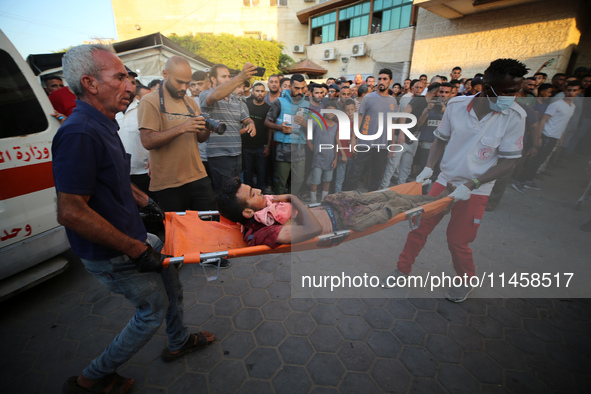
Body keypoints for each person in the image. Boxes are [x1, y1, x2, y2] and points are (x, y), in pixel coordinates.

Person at [54, 44, 214, 394]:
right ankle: (90, 380)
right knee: (151, 312)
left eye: (130, 76)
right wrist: (137, 250)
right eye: (120, 77)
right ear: (90, 84)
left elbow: (110, 178)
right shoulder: (80, 131)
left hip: (135, 235)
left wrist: (143, 200)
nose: (130, 84)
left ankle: (178, 341)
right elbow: (70, 211)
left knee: (173, 286)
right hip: (114, 252)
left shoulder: (103, 124)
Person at [395, 58, 529, 303]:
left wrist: (472, 185)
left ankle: (466, 280)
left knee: (458, 241)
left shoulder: (515, 116)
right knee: (418, 228)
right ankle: (402, 269)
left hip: (476, 189)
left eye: (517, 90)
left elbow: (509, 162)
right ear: (487, 87)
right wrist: (428, 168)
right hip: (444, 181)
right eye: (509, 92)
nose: (514, 96)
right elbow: (440, 140)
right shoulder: (456, 106)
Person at [217, 178, 442, 248]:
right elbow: (313, 229)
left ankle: (442, 198)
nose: (259, 191)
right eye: (252, 194)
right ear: (247, 211)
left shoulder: (253, 216)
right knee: (398, 206)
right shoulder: (263, 235)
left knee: (390, 196)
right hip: (349, 219)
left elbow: (236, 218)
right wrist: (292, 198)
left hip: (335, 203)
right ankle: (445, 201)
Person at [138, 56, 215, 212]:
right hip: (168, 183)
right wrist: (182, 127)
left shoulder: (190, 102)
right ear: (165, 75)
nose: (184, 87)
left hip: (197, 176)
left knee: (208, 225)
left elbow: (200, 139)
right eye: (179, 82)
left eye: (187, 83)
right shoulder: (149, 101)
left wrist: (207, 128)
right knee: (178, 232)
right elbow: (147, 140)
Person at [512, 80, 581, 192]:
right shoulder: (556, 104)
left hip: (555, 137)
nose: (571, 93)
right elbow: (543, 120)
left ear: (579, 92)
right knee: (534, 160)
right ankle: (519, 181)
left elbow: (564, 122)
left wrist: (561, 136)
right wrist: (538, 138)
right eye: (569, 90)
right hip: (546, 135)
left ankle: (528, 180)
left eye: (574, 90)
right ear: (565, 91)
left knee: (540, 160)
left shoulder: (572, 106)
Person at [199, 62, 257, 193]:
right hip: (220, 156)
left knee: (235, 194)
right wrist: (241, 77)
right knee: (225, 194)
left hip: (236, 154)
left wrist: (250, 123)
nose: (228, 79)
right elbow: (215, 96)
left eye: (229, 76)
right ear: (213, 79)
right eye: (224, 76)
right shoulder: (206, 94)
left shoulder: (234, 99)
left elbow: (245, 118)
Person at [344, 68, 398, 192]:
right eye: (379, 79)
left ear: (390, 81)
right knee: (355, 173)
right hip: (364, 142)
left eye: (385, 79)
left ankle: (371, 201)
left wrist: (393, 144)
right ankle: (346, 200)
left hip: (382, 145)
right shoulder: (368, 97)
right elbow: (359, 118)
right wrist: (353, 139)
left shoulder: (393, 101)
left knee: (376, 176)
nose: (381, 81)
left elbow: (392, 123)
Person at [264, 74, 309, 195]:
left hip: (299, 148)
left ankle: (291, 203)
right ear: (290, 86)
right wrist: (280, 127)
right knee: (280, 181)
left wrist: (305, 124)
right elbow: (266, 122)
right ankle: (280, 207)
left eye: (302, 88)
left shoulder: (307, 104)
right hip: (283, 148)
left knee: (299, 180)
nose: (300, 91)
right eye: (296, 88)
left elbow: (312, 128)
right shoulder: (279, 102)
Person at [307, 100, 338, 203]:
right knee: (315, 180)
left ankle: (324, 200)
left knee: (327, 180)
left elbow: (336, 143)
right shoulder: (317, 123)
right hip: (318, 157)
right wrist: (312, 146)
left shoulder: (336, 126)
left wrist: (336, 159)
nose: (330, 113)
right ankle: (313, 200)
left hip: (330, 157)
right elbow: (308, 135)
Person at [243, 82, 271, 190]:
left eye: (262, 91)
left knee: (261, 172)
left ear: (265, 93)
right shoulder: (246, 105)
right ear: (252, 92)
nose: (260, 93)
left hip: (261, 146)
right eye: (257, 91)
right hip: (246, 146)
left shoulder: (268, 108)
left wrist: (268, 146)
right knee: (247, 172)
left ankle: (261, 194)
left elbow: (270, 129)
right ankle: (248, 194)